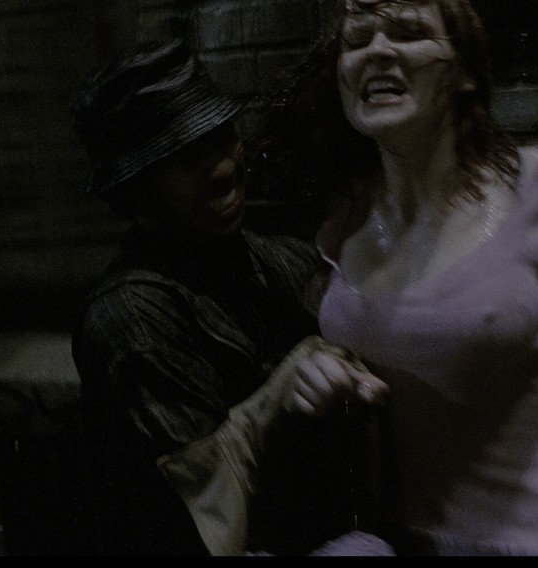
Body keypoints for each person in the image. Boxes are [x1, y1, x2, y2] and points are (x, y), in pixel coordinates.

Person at [252, 0, 538, 556]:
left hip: (536, 543)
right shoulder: (341, 219)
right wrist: (318, 375)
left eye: (408, 32)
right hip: (392, 541)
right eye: (357, 39)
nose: (378, 50)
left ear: (463, 72)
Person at [67, 39, 391, 556]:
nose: (223, 169)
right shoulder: (131, 318)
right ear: (132, 191)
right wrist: (289, 384)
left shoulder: (280, 261)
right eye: (185, 159)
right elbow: (211, 511)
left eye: (222, 138)